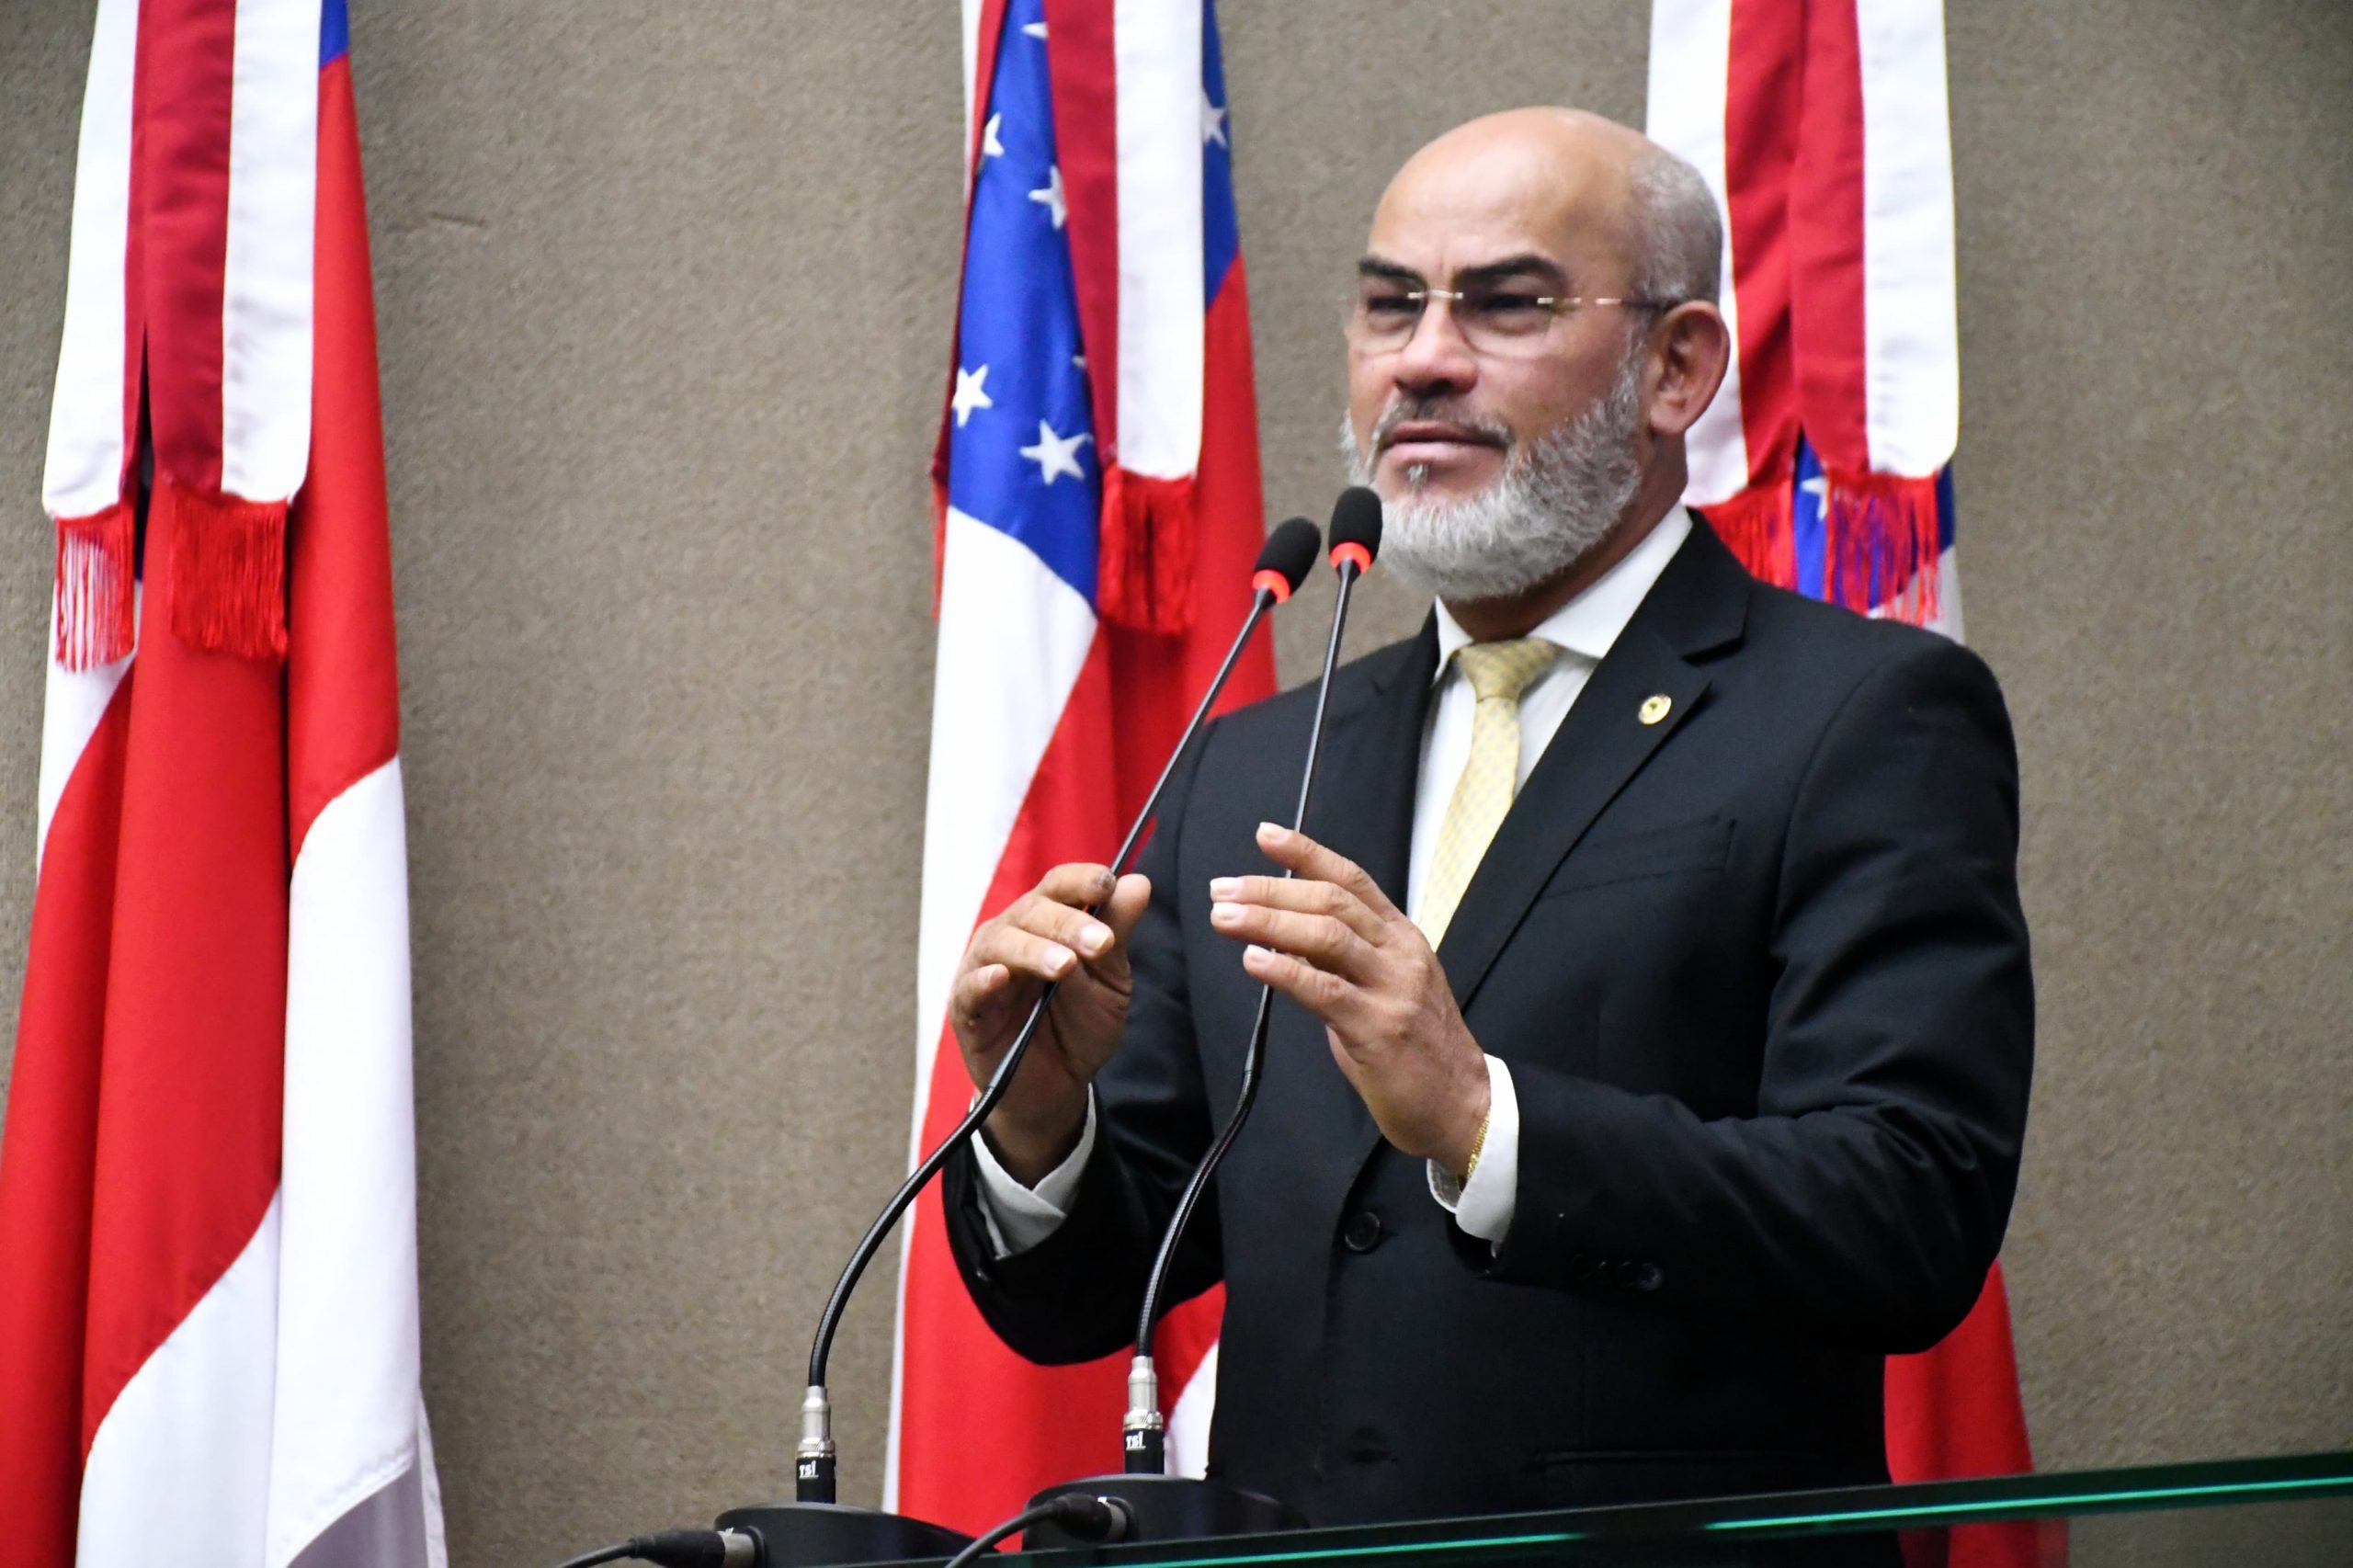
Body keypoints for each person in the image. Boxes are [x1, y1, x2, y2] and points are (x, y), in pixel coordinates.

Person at [937, 106, 2033, 1527]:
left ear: (1677, 365)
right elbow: (1087, 1288)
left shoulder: (1863, 716)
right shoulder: (1263, 763)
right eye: (1391, 305)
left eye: (1505, 303)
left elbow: (1908, 1207)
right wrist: (1035, 1119)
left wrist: (1483, 1116)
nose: (1423, 358)